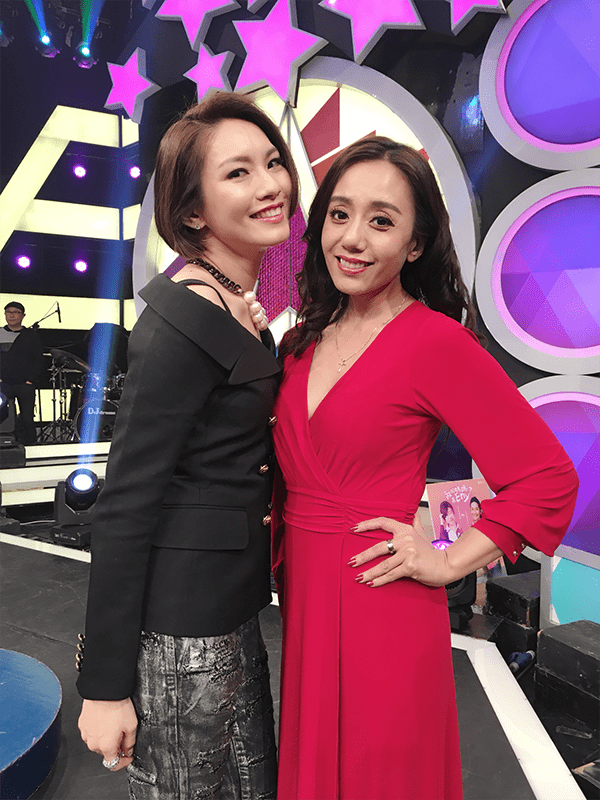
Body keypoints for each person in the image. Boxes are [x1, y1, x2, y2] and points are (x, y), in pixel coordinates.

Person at [271, 137, 578, 800]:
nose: (352, 238)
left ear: (414, 244)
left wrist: (447, 559)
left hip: (384, 601)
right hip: (304, 602)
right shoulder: (299, 343)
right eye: (340, 214)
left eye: (381, 221)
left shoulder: (435, 342)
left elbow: (548, 478)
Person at [76, 91, 298, 799]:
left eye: (272, 162)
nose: (269, 184)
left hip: (229, 613)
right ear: (193, 211)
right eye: (238, 172)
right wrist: (104, 687)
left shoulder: (230, 301)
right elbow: (126, 502)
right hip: (183, 636)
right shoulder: (181, 321)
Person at [0, 301, 44, 444]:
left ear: (23, 315)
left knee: (27, 418)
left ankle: (30, 447)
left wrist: (30, 380)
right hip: (3, 384)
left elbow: (38, 359)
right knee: (3, 417)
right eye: (8, 312)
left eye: (15, 312)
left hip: (25, 385)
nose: (11, 315)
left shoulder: (31, 335)